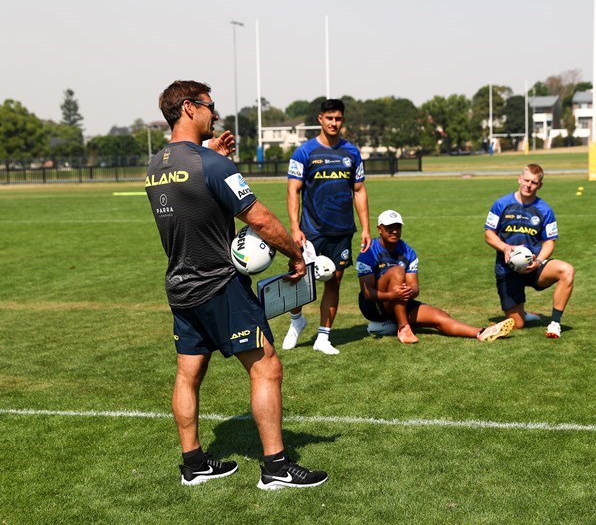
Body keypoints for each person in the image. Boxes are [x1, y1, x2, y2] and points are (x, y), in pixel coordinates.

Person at [145, 80, 327, 489]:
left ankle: (193, 463)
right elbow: (259, 218)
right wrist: (296, 256)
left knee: (188, 372)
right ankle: (276, 466)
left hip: (179, 284)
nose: (216, 114)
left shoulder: (156, 165)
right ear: (189, 108)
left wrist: (217, 159)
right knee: (266, 367)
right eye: (210, 106)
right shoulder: (212, 166)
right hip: (219, 284)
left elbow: (191, 185)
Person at [282, 99, 371, 355]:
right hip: (311, 231)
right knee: (298, 278)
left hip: (342, 231)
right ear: (320, 119)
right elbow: (293, 191)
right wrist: (294, 227)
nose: (334, 123)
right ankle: (296, 321)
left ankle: (323, 337)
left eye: (338, 119)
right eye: (330, 118)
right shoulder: (304, 152)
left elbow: (359, 190)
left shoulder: (351, 153)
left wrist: (365, 228)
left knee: (334, 282)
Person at [357, 210, 515, 343]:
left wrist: (407, 292)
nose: (394, 231)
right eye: (389, 227)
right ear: (379, 229)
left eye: (397, 227)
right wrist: (393, 294)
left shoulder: (408, 251)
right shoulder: (368, 252)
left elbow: (415, 287)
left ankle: (482, 332)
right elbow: (368, 294)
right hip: (374, 307)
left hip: (399, 302)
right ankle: (403, 328)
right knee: (398, 271)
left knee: (441, 316)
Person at [484, 164, 575, 338]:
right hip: (507, 269)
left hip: (535, 266)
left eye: (534, 182)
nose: (528, 185)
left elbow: (549, 242)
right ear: (519, 179)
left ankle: (555, 323)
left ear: (539, 185)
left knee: (567, 270)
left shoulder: (544, 209)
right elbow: (489, 234)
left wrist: (538, 261)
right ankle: (522, 314)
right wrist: (505, 247)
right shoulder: (501, 204)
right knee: (518, 324)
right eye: (526, 180)